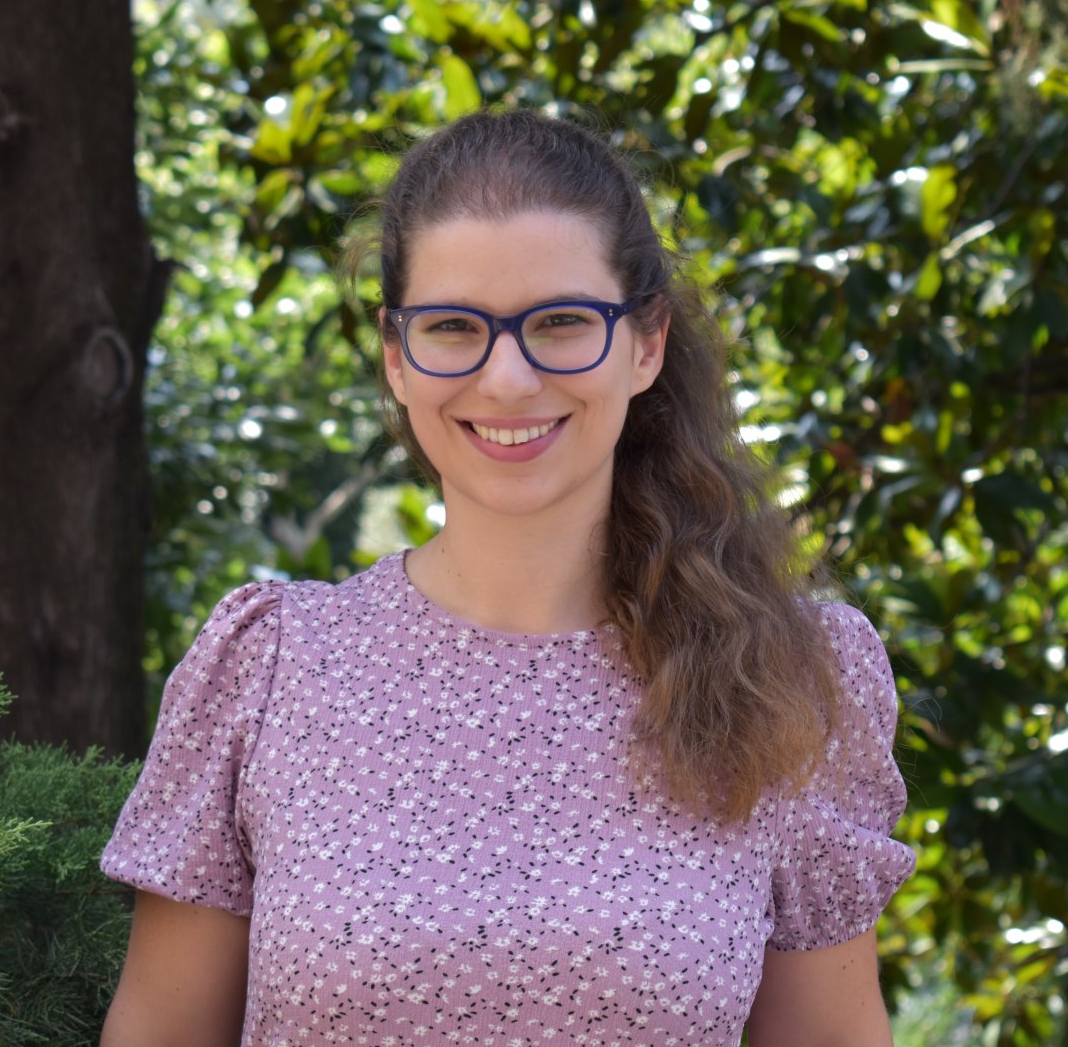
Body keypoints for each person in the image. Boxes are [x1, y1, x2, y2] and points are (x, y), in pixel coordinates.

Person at [99, 108, 916, 1046]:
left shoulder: (788, 680)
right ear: (397, 355)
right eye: (454, 327)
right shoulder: (270, 667)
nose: (508, 379)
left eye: (562, 322)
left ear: (645, 343)